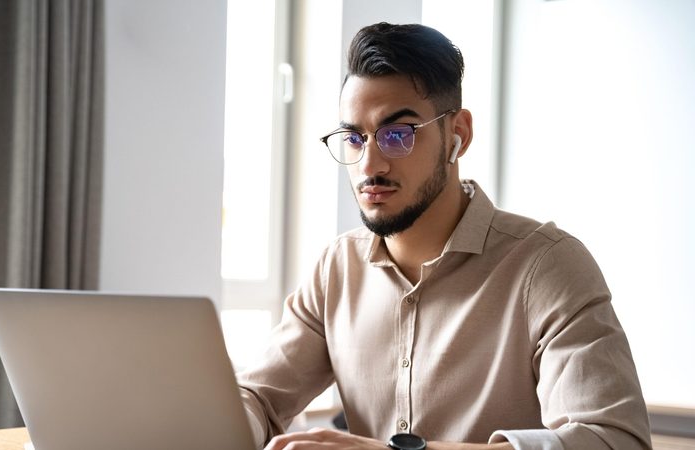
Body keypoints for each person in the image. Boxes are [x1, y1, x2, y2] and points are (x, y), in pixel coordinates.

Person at [237, 22, 651, 450]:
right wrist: (222, 422)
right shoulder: (336, 269)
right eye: (355, 138)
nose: (370, 165)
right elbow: (256, 397)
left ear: (458, 135)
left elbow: (614, 440)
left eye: (397, 135)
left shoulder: (548, 266)